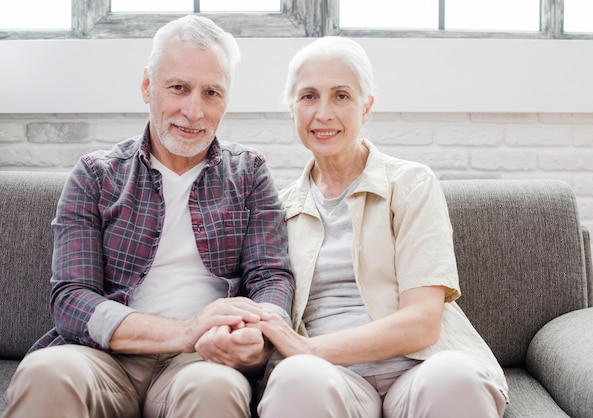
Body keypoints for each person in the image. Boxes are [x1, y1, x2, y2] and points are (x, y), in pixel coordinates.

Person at [4, 15, 294, 418]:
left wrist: (259, 333)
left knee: (215, 388)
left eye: (211, 92)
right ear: (147, 86)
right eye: (178, 88)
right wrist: (183, 330)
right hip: (106, 357)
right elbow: (71, 299)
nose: (193, 111)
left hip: (200, 362)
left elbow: (271, 277)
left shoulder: (249, 173)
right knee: (46, 372)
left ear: (226, 100)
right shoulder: (96, 175)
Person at [251, 36, 509, 418]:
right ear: (292, 110)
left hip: (421, 368)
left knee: (457, 379)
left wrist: (308, 349)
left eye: (341, 96)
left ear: (366, 107)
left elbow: (422, 323)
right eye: (308, 97)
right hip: (331, 380)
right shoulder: (278, 208)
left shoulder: (410, 184)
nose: (323, 113)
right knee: (295, 380)